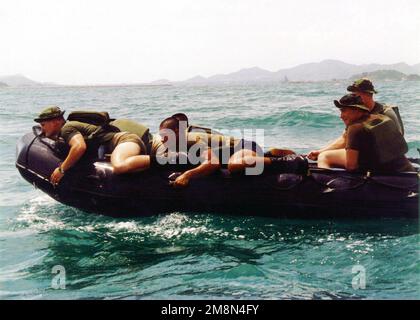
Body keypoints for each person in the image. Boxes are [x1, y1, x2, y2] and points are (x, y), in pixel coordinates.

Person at [34, 106, 152, 185]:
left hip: (124, 140)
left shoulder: (66, 129)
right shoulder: (65, 133)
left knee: (120, 166)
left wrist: (61, 169)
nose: (42, 128)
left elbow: (79, 147)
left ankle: (165, 160)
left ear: (56, 122)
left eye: (43, 124)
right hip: (122, 143)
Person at [308, 78, 404, 162]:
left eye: (356, 94)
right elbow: (346, 139)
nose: (353, 97)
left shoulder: (385, 112)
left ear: (367, 94)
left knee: (326, 157)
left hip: (384, 159)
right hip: (365, 155)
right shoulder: (356, 113)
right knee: (324, 155)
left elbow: (395, 141)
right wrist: (320, 151)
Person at [318, 94, 413, 172]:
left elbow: (351, 166)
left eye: (343, 111)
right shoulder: (381, 118)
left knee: (324, 156)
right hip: (404, 169)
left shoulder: (355, 128)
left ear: (356, 110)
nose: (341, 116)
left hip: (380, 172)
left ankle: (322, 185)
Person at [152, 116, 221, 187]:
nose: (162, 139)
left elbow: (214, 162)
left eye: (165, 135)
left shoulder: (192, 140)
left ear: (176, 131)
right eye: (161, 136)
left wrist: (187, 175)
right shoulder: (173, 143)